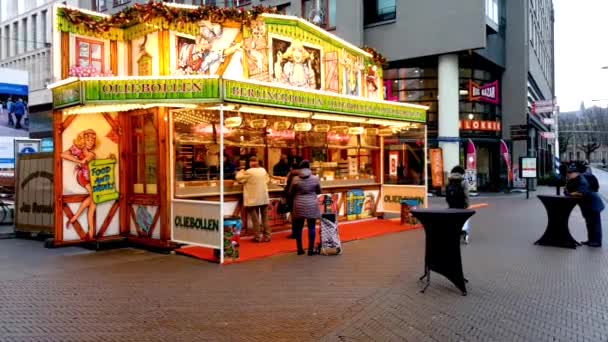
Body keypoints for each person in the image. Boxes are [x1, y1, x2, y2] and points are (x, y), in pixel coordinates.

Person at [61, 129, 102, 237]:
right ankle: (90, 230)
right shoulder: (78, 150)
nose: (90, 142)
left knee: (93, 200)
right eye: (88, 139)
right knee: (94, 197)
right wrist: (78, 161)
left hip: (92, 177)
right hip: (83, 176)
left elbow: (89, 159)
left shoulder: (91, 154)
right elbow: (63, 154)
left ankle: (76, 219)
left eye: (92, 140)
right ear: (83, 140)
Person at [565, 162, 605, 247]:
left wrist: (571, 194)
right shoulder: (573, 180)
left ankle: (597, 242)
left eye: (571, 173)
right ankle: (591, 240)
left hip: (593, 204)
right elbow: (568, 190)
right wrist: (568, 192)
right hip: (586, 205)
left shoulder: (582, 179)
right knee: (589, 223)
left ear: (576, 173)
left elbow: (582, 192)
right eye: (568, 173)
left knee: (595, 223)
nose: (569, 175)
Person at [289, 160, 322, 255]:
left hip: (299, 204)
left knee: (298, 228)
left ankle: (300, 249)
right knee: (311, 227)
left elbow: (291, 192)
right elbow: (319, 191)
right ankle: (311, 250)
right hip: (311, 204)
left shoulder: (295, 179)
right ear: (309, 167)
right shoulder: (315, 178)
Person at [236, 156, 271, 242]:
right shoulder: (263, 170)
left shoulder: (248, 172)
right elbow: (267, 180)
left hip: (253, 199)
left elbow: (238, 178)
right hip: (263, 197)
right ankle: (267, 236)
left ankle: (257, 237)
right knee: (265, 218)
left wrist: (241, 171)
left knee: (255, 220)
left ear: (250, 163)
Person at [445, 165, 471, 244]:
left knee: (453, 219)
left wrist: (449, 203)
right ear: (461, 173)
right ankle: (464, 232)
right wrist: (467, 205)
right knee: (465, 218)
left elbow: (446, 194)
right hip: (461, 205)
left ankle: (453, 233)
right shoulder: (463, 181)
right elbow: (466, 195)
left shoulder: (449, 181)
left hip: (451, 205)